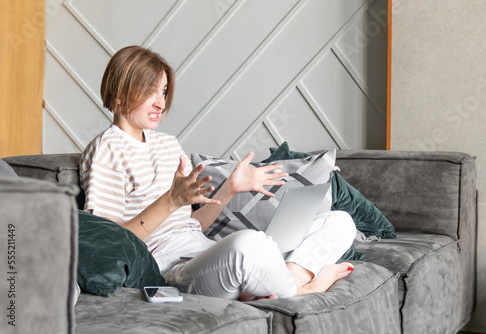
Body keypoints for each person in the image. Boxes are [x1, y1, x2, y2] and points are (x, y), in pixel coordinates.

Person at [80, 45, 356, 300]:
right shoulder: (107, 148)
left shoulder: (167, 144)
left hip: (205, 254)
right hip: (170, 270)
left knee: (339, 221)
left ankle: (286, 278)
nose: (160, 103)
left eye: (163, 92)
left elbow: (190, 227)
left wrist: (230, 190)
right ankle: (302, 287)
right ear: (119, 92)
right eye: (150, 91)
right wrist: (170, 201)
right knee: (250, 244)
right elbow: (110, 246)